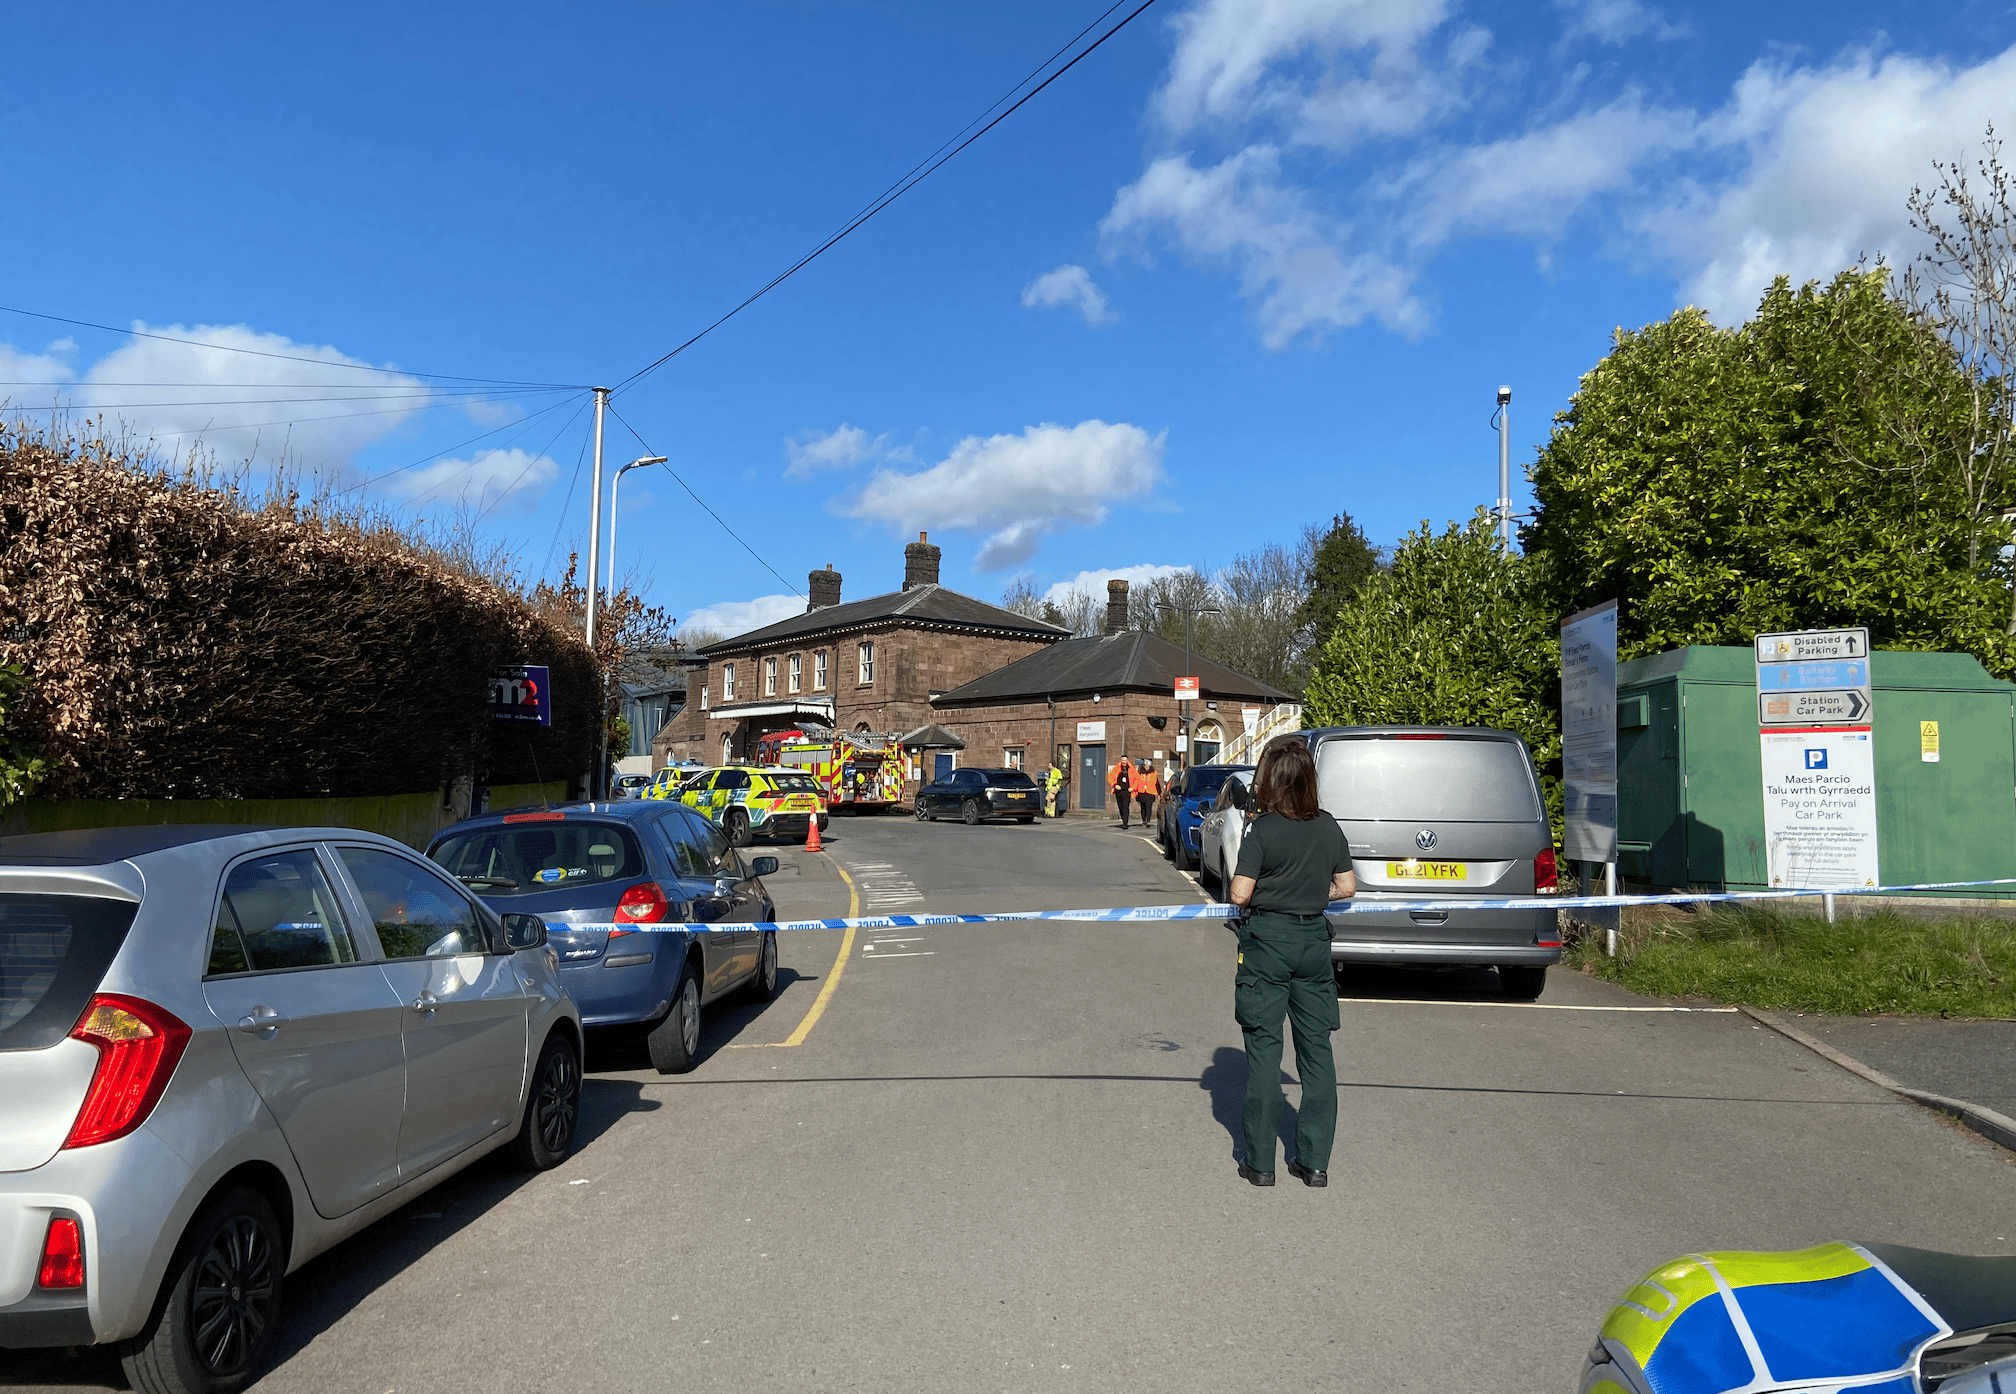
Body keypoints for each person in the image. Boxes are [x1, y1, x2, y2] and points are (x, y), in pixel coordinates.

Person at [1225, 734, 1355, 1189]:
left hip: (1267, 942)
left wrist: (1266, 892)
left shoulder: (1263, 830)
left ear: (1271, 783)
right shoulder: (1328, 825)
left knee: (1264, 1050)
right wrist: (1314, 892)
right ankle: (1314, 1161)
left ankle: (1260, 1162)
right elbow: (1347, 886)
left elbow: (1240, 892)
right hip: (1313, 943)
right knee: (1317, 1051)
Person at [1134, 759, 1159, 830]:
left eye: (1148, 766)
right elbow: (1136, 782)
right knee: (1143, 807)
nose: (1147, 767)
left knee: (1149, 807)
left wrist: (1159, 793)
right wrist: (1135, 792)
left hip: (1150, 793)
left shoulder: (1154, 773)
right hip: (1141, 792)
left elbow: (1157, 783)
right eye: (1145, 766)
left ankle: (1148, 820)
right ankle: (1143, 820)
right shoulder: (1139, 773)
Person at [1110, 756, 1133, 827]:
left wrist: (1133, 787)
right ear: (1121, 760)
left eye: (1125, 760)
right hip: (1119, 791)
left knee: (1125, 807)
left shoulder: (1132, 769)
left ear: (1127, 760)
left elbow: (1136, 779)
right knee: (1121, 806)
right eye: (1123, 760)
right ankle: (1123, 819)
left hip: (1127, 791)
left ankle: (1125, 823)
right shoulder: (1116, 768)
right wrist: (1115, 785)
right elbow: (1110, 777)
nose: (1124, 762)